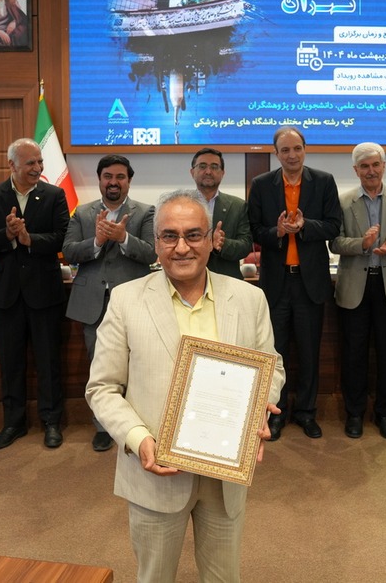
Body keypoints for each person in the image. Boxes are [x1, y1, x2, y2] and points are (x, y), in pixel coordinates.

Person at [86, 189, 284, 583]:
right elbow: (102, 388)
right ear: (155, 242)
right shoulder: (126, 300)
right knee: (155, 577)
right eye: (169, 236)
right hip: (155, 470)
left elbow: (271, 367)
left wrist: (258, 409)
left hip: (225, 473)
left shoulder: (250, 299)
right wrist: (139, 439)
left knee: (224, 577)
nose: (181, 247)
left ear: (211, 239)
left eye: (193, 235)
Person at [0, 138, 69, 450]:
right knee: (10, 362)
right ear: (12, 165)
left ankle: (51, 422)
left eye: (40, 162)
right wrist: (7, 234)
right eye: (30, 163)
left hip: (45, 292)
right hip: (7, 294)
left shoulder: (54, 195)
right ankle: (13, 423)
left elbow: (63, 238)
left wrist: (30, 239)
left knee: (48, 361)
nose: (38, 168)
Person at [248, 126, 341, 440]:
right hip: (276, 284)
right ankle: (276, 414)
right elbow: (253, 229)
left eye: (297, 148)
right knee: (275, 354)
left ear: (305, 149)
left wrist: (304, 226)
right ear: (276, 154)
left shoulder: (324, 181)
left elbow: (333, 226)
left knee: (309, 352)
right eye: (285, 150)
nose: (292, 155)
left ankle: (306, 413)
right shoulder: (262, 184)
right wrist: (276, 232)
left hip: (309, 282)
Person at [64, 155, 156, 453]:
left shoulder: (146, 212)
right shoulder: (82, 213)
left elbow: (152, 253)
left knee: (137, 363)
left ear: (129, 180)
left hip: (134, 302)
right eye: (108, 176)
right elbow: (68, 252)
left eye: (120, 177)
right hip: (93, 303)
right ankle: (103, 426)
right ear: (99, 180)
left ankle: (137, 425)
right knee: (100, 366)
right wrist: (97, 242)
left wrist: (124, 237)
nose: (113, 182)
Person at [329, 142, 386, 440]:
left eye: (375, 165)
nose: (371, 171)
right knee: (353, 353)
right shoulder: (343, 202)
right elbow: (334, 243)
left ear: (384, 166)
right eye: (364, 166)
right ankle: (354, 414)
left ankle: (384, 413)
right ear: (356, 170)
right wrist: (362, 244)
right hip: (355, 287)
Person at [190, 147, 253, 280]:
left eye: (214, 167)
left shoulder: (238, 206)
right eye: (202, 166)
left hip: (226, 280)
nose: (208, 171)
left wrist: (222, 243)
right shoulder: (180, 205)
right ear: (192, 172)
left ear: (222, 173)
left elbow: (246, 245)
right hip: (188, 279)